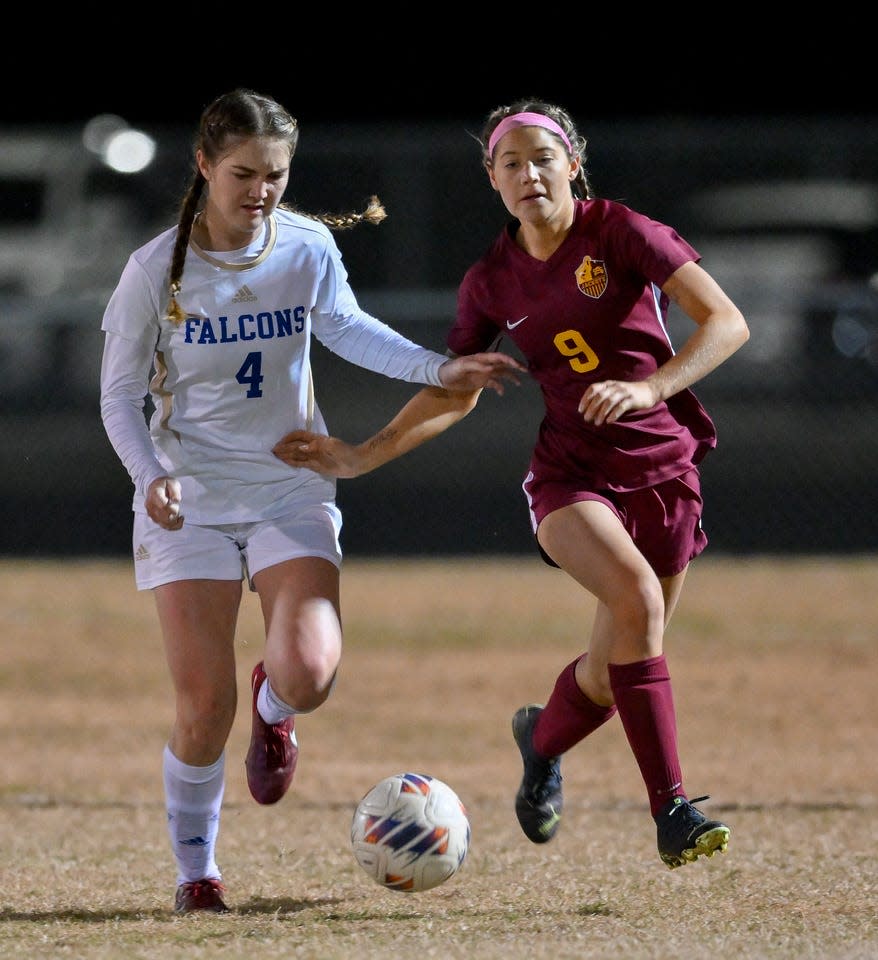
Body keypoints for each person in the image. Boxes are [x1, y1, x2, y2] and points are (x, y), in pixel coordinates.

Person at [273, 98, 750, 870]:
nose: (529, 173)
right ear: (492, 179)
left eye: (542, 158)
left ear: (573, 163)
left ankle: (542, 740)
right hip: (571, 477)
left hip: (666, 473)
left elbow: (726, 321)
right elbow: (452, 388)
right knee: (638, 602)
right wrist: (363, 453)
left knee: (608, 669)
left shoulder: (622, 231)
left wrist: (649, 389)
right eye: (510, 163)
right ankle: (672, 810)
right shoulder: (491, 281)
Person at [99, 88, 523, 915]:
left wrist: (440, 368)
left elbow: (349, 328)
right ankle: (198, 873)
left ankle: (277, 708)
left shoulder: (304, 248)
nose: (260, 191)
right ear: (203, 167)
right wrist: (149, 476)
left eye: (276, 175)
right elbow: (117, 397)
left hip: (290, 483)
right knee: (201, 706)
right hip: (191, 498)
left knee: (311, 672)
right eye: (243, 173)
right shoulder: (157, 269)